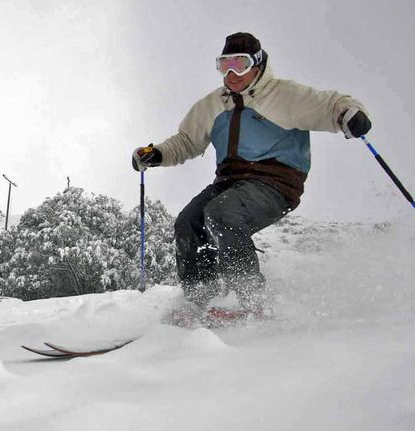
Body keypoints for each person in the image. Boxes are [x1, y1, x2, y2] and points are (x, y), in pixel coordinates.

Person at [132, 32, 371, 312]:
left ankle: (249, 299)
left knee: (222, 213)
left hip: (275, 182)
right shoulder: (213, 104)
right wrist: (156, 153)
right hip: (230, 182)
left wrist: (348, 114)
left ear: (257, 66)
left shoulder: (284, 95)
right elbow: (186, 142)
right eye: (224, 65)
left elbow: (330, 104)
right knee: (188, 221)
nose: (232, 74)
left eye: (240, 64)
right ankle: (200, 300)